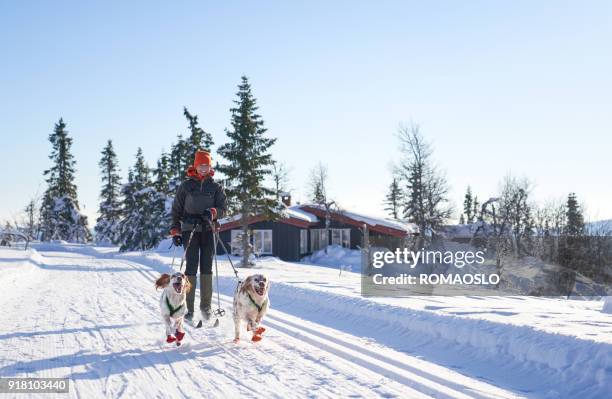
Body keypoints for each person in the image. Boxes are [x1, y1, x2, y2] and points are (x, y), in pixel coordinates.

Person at [170, 150, 227, 322]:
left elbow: (224, 209)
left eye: (207, 165)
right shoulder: (186, 186)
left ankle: (206, 308)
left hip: (209, 229)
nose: (204, 168)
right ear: (196, 166)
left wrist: (213, 212)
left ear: (210, 167)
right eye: (201, 165)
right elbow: (176, 210)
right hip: (190, 229)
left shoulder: (216, 187)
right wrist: (176, 230)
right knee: (191, 267)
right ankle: (188, 309)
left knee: (207, 267)